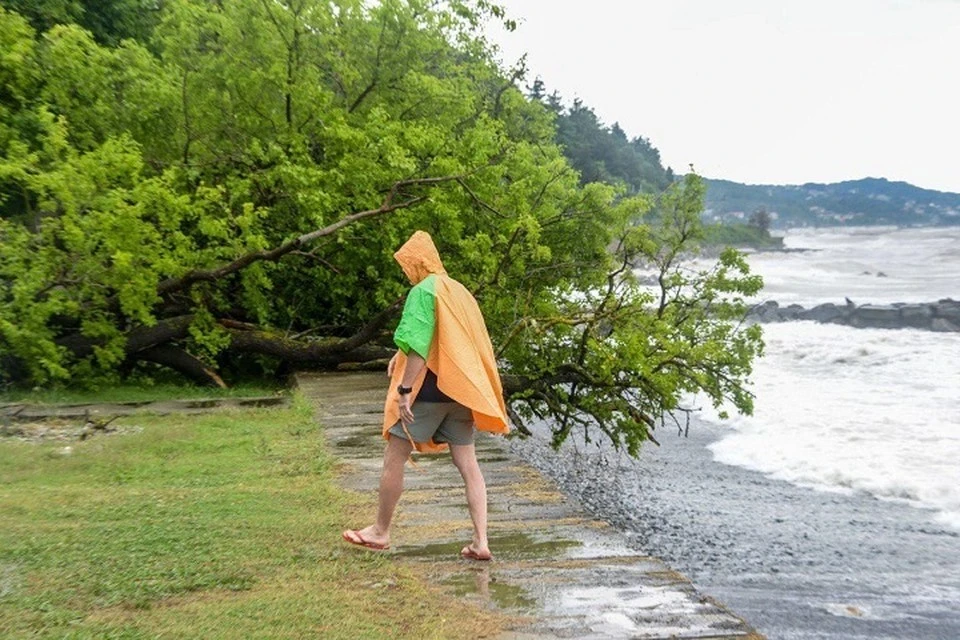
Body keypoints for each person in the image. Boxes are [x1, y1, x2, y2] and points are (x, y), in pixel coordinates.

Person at [341, 230, 510, 561]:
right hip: (460, 393)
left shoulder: (423, 291)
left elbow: (419, 343)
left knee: (394, 458)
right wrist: (398, 355)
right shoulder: (459, 292)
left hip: (427, 394)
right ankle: (480, 541)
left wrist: (405, 390)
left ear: (418, 262)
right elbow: (453, 340)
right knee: (469, 466)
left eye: (408, 265)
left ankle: (380, 532)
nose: (407, 272)